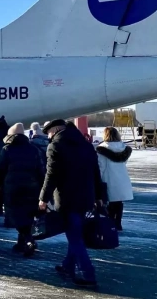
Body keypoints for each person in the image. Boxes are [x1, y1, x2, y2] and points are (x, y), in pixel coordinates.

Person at [39, 119, 105, 288]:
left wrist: (43, 198)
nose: (48, 136)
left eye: (48, 133)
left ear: (54, 130)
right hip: (86, 197)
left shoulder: (56, 146)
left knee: (75, 237)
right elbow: (96, 172)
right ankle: (67, 266)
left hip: (67, 198)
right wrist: (99, 196)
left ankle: (88, 274)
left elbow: (51, 174)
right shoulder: (85, 145)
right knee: (76, 232)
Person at [0, 123, 45, 257]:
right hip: (32, 187)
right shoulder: (33, 149)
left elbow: (0, 169)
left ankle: (29, 240)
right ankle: (22, 242)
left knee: (16, 216)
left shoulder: (7, 149)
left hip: (13, 188)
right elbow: (41, 170)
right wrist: (43, 188)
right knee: (28, 215)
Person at [96, 127, 133, 231]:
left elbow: (100, 166)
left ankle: (111, 223)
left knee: (109, 203)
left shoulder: (101, 149)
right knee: (118, 202)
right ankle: (118, 223)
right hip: (122, 178)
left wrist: (98, 180)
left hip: (109, 178)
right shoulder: (124, 148)